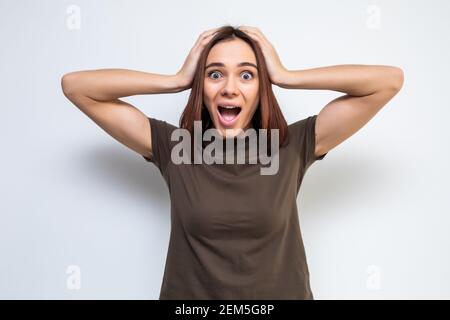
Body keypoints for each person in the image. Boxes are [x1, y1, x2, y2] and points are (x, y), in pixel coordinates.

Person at [61, 25, 404, 299]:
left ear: (261, 87)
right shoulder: (176, 147)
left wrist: (286, 75)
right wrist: (177, 80)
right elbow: (76, 87)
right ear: (202, 86)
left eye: (246, 75)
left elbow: (388, 81)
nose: (228, 88)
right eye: (214, 74)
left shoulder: (290, 146)